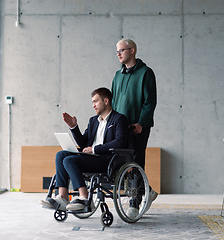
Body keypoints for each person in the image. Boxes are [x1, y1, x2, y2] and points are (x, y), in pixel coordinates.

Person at [40, 87, 128, 211]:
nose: (93, 105)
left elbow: (119, 142)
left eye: (96, 101)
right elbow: (83, 144)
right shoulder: (93, 121)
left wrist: (94, 149)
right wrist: (73, 127)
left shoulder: (119, 119)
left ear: (106, 101)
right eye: (93, 102)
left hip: (107, 160)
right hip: (91, 158)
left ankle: (84, 198)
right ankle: (63, 197)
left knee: (69, 160)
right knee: (61, 155)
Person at [111, 38, 157, 216]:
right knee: (123, 163)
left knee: (136, 161)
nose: (118, 54)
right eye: (117, 51)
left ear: (132, 51)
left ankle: (134, 203)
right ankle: (148, 190)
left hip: (138, 126)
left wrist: (141, 123)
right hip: (120, 126)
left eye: (121, 50)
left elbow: (149, 102)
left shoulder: (146, 73)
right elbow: (114, 101)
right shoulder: (117, 75)